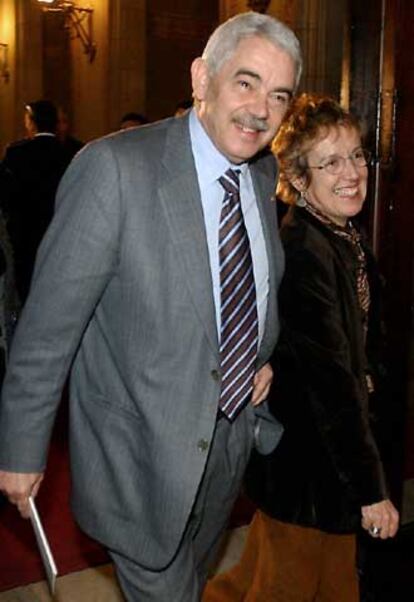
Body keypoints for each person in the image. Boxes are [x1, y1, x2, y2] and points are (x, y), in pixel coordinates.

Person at [0, 12, 302, 601]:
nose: (261, 109)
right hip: (138, 457)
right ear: (200, 78)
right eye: (246, 82)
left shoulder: (262, 176)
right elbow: (48, 328)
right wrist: (20, 448)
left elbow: (256, 291)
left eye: (279, 94)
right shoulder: (113, 170)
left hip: (227, 447)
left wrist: (260, 358)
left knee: (190, 580)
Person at [203, 93, 399, 602]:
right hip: (311, 469)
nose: (351, 171)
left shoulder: (340, 234)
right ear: (298, 179)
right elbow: (336, 383)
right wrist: (371, 488)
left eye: (356, 155)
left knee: (251, 584)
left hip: (317, 468)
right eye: (330, 162)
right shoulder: (307, 250)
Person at [0, 100, 70, 302]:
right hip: (59, 229)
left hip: (23, 232)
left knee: (26, 287)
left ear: (31, 122)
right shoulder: (69, 152)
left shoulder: (17, 152)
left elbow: (7, 193)